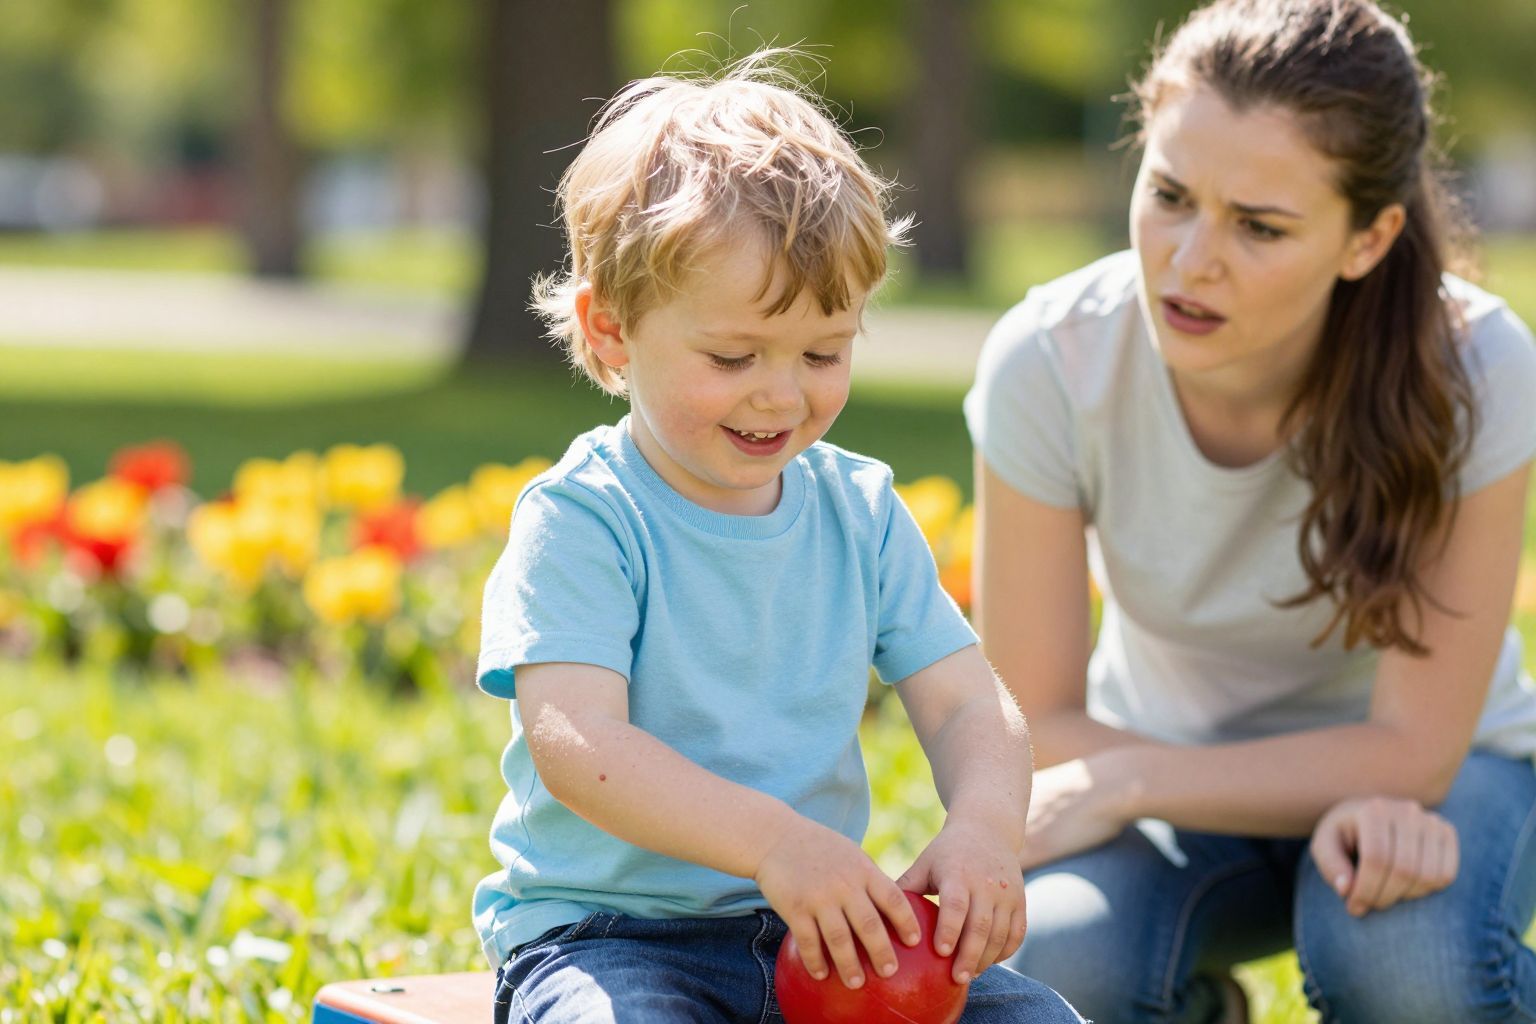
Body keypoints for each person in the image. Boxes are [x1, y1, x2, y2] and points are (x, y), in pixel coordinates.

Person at [473, 58, 1084, 1024]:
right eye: (733, 356)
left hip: (827, 936)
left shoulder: (862, 511)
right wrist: (773, 842)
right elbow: (578, 744)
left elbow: (970, 701)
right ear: (610, 331)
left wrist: (983, 828)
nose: (782, 393)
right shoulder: (586, 517)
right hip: (615, 937)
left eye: (823, 352)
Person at [965, 1, 1536, 1021]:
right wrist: (1139, 783)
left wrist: (1131, 783)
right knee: (1057, 962)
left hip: (1429, 789)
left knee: (1402, 959)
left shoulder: (1478, 367)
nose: (1190, 262)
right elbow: (1036, 718)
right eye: (1171, 195)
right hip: (1168, 785)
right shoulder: (1050, 360)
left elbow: (1414, 748)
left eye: (1260, 227)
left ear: (1370, 238)